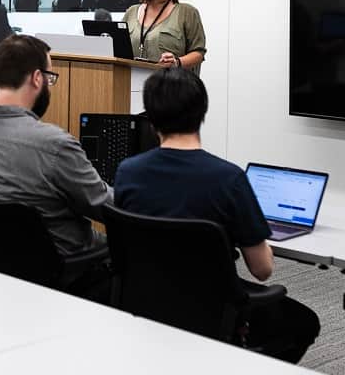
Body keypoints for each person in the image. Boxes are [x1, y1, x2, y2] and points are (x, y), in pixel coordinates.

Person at [114, 69, 320, 363]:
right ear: (202, 112)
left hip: (145, 307)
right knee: (303, 323)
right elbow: (262, 270)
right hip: (213, 312)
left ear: (151, 118)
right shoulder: (228, 179)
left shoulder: (128, 172)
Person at [0, 35, 112, 299]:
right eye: (50, 78)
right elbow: (106, 207)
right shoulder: (53, 145)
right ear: (36, 79)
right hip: (73, 275)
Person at [122, 0, 206, 73]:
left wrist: (177, 62)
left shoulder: (187, 12)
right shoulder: (131, 12)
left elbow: (199, 53)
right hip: (133, 85)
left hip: (172, 86)